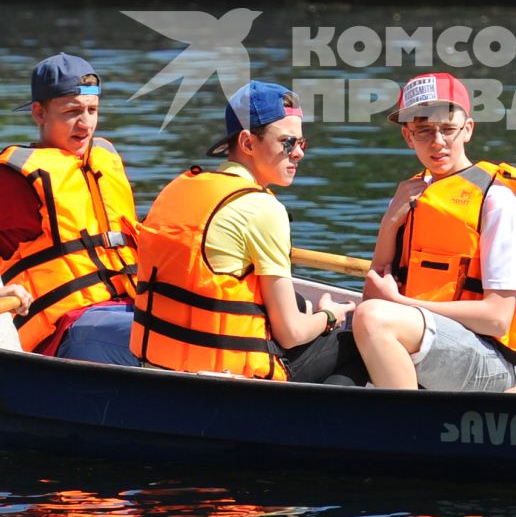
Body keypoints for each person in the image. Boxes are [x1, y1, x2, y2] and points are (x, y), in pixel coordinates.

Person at [0, 53, 141, 364]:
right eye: (72, 111)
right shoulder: (9, 180)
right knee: (161, 338)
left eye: (92, 110)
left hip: (130, 306)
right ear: (38, 113)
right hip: (71, 327)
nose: (85, 123)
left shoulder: (102, 162)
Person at [131, 80, 362, 382]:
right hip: (230, 382)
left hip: (158, 366)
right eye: (288, 143)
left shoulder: (177, 187)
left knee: (296, 302)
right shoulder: (263, 209)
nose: (299, 154)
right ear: (248, 143)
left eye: (302, 143)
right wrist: (330, 316)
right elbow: (290, 334)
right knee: (359, 344)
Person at [353, 72, 516, 391]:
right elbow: (374, 290)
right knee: (353, 325)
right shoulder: (411, 193)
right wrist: (390, 222)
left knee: (372, 319)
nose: (437, 142)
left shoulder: (498, 199)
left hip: (493, 359)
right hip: (429, 334)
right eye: (424, 131)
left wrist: (404, 305)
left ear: (467, 130)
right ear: (409, 137)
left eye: (448, 129)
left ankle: (406, 432)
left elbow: (497, 318)